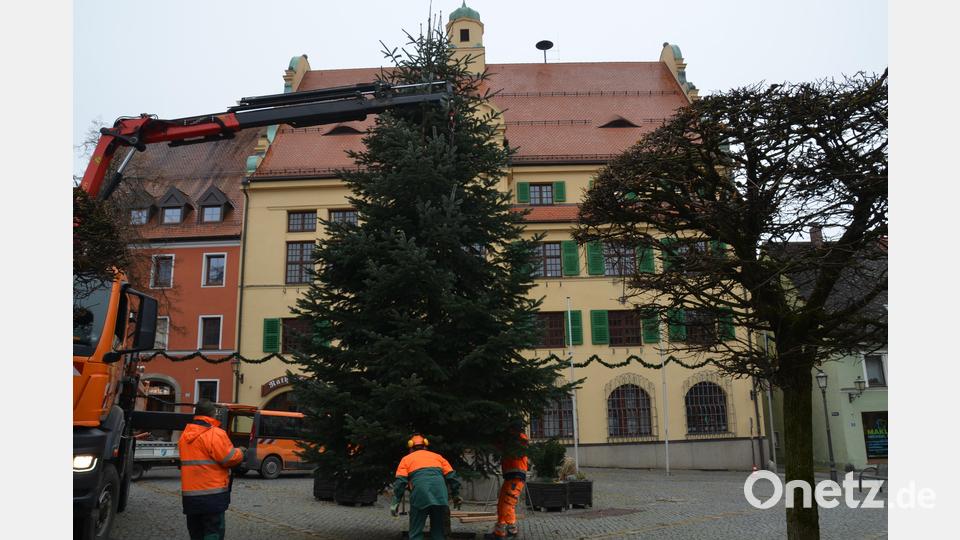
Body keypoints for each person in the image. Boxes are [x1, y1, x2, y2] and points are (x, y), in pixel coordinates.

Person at [178, 399, 245, 540]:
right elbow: (229, 458)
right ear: (213, 415)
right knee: (213, 532)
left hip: (191, 498)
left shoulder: (184, 436)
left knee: (196, 533)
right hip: (213, 496)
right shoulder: (215, 433)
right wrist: (241, 451)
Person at [391, 434, 462, 540]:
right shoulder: (438, 457)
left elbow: (400, 482)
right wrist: (456, 495)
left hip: (420, 497)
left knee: (415, 532)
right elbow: (452, 477)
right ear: (426, 446)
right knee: (438, 532)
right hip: (440, 497)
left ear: (411, 447)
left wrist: (395, 502)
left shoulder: (406, 459)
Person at [488, 431, 529, 538]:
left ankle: (512, 530)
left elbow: (501, 446)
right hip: (510, 477)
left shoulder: (517, 437)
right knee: (502, 503)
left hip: (516, 477)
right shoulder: (511, 438)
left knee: (508, 504)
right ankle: (499, 531)